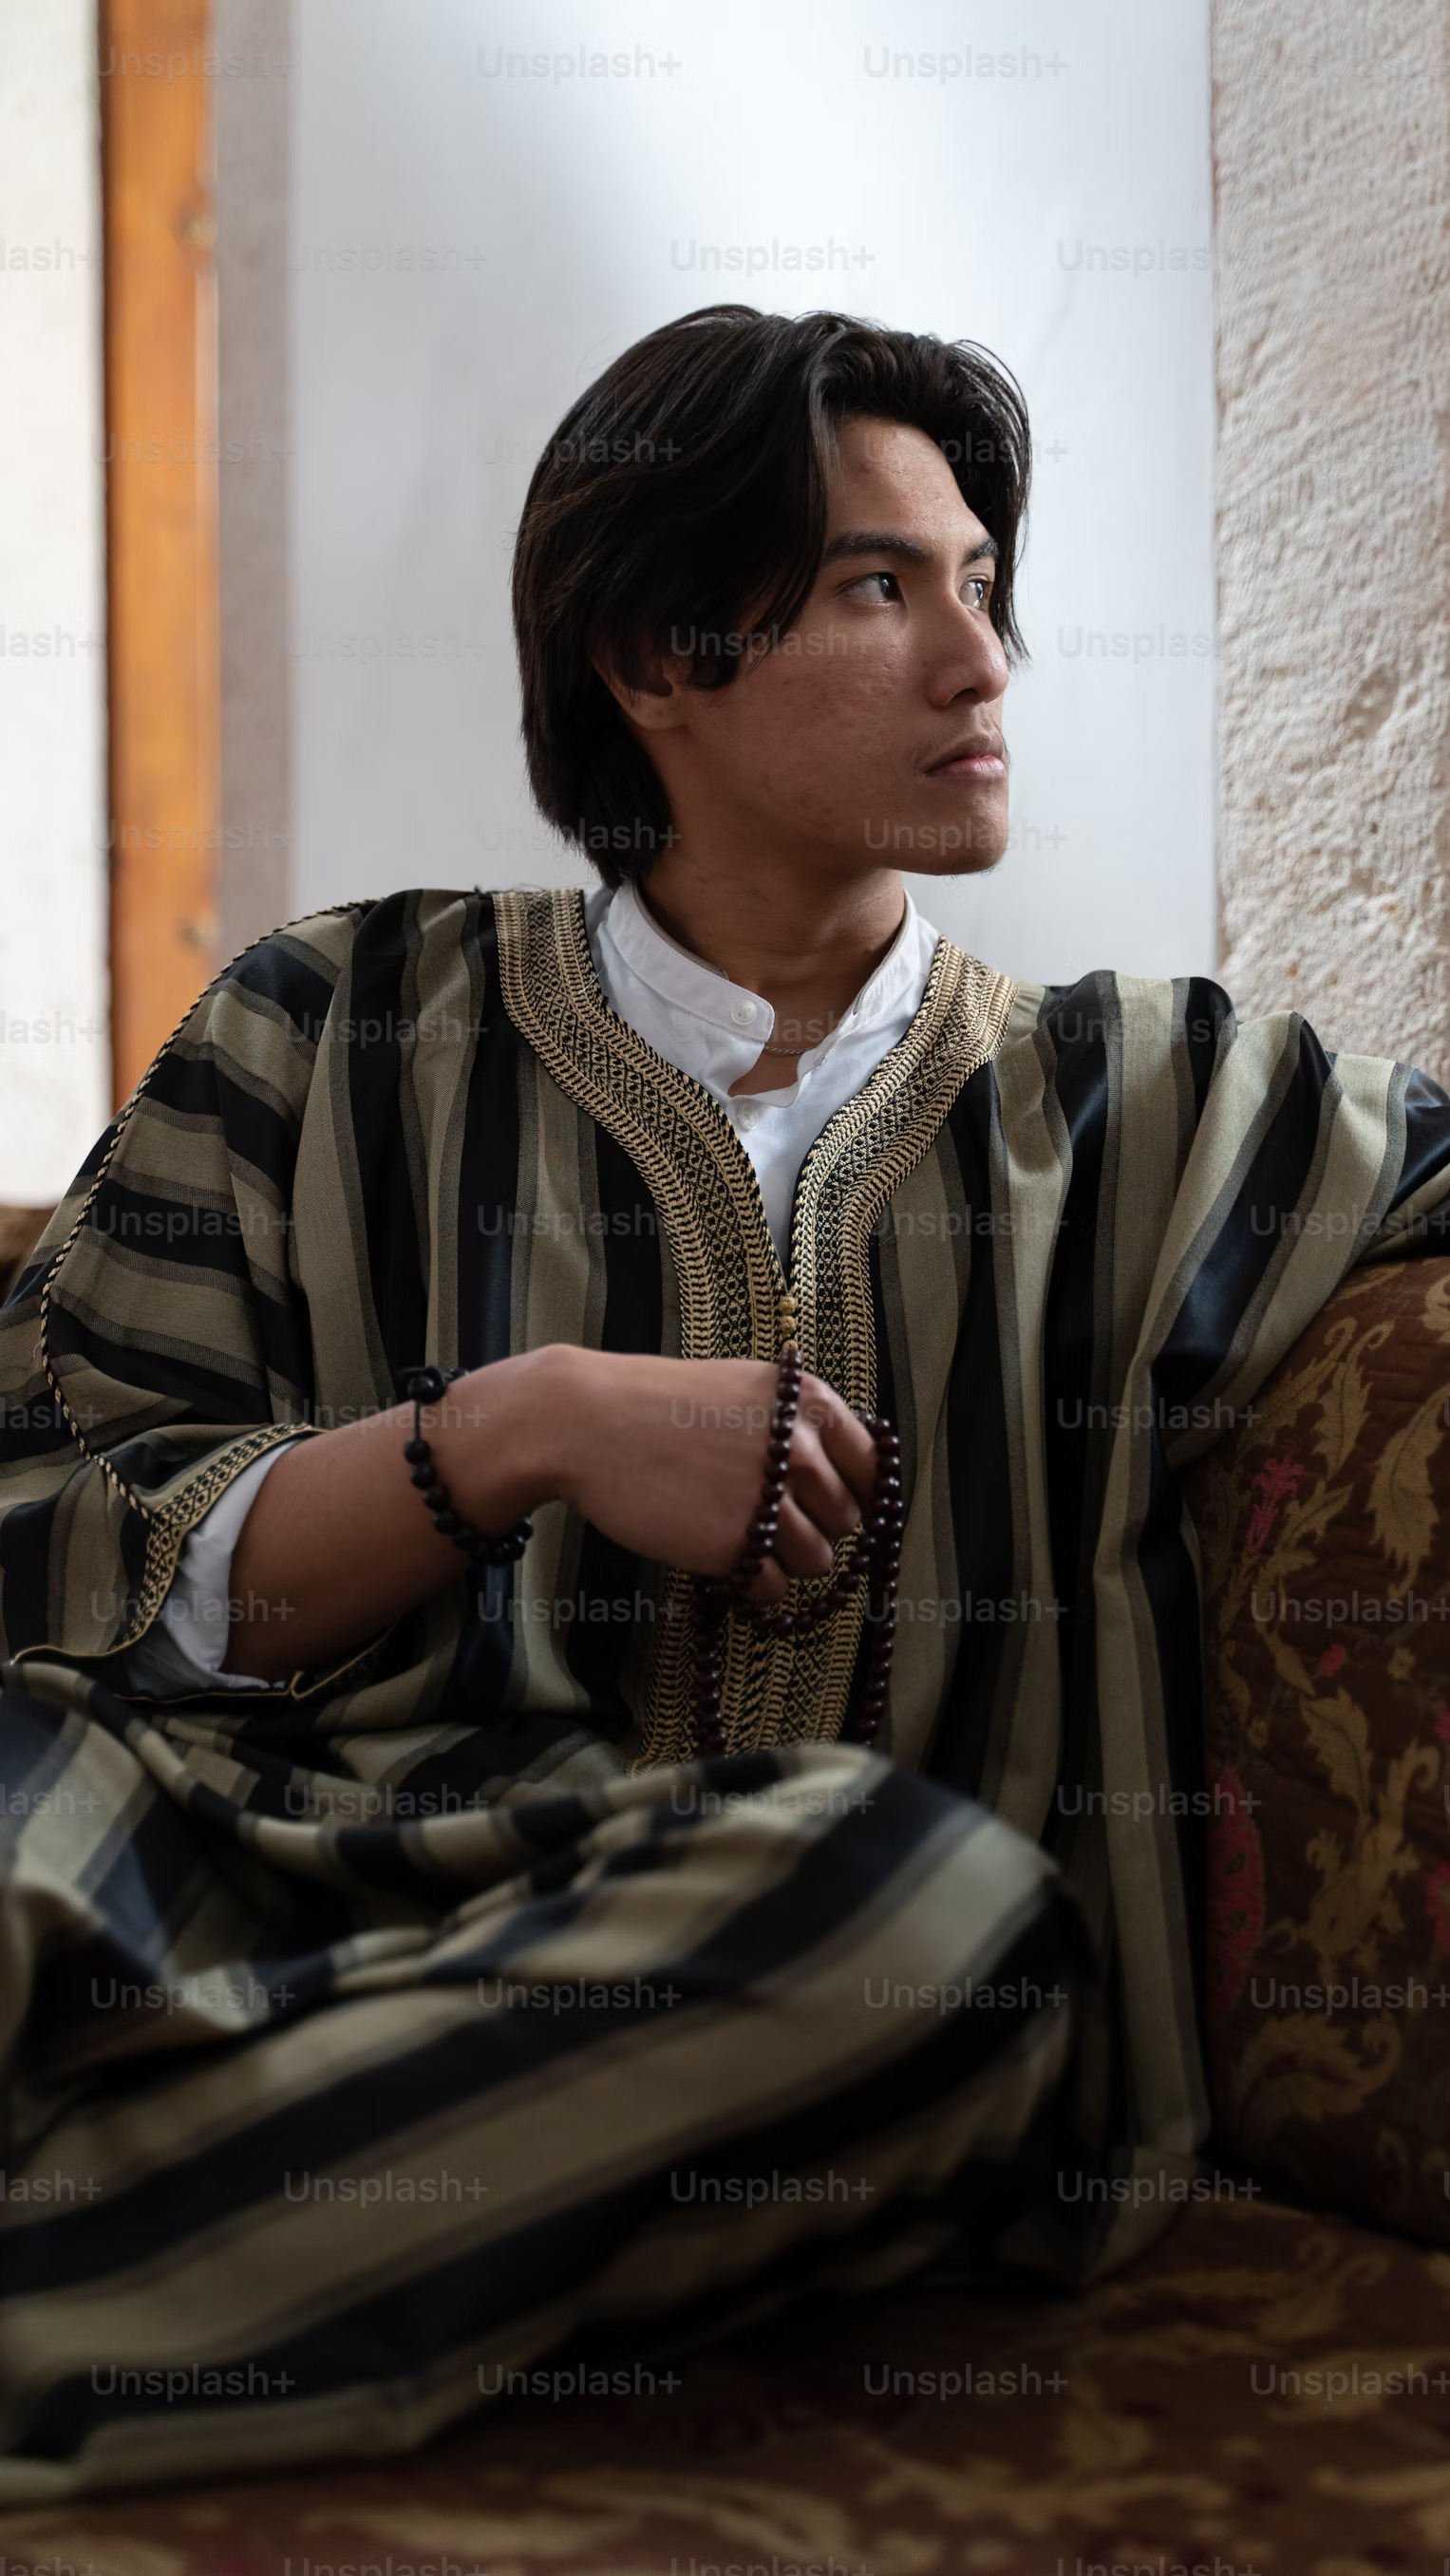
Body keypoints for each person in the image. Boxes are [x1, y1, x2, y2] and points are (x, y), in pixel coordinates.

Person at [1, 303, 1447, 2499]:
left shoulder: (1155, 1102)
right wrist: (513, 1428)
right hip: (259, 1891)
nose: (980, 665)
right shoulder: (327, 1028)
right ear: (653, 658)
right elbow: (65, 1528)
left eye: (978, 584)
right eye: (882, 586)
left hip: (777, 2021)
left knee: (923, 1918)